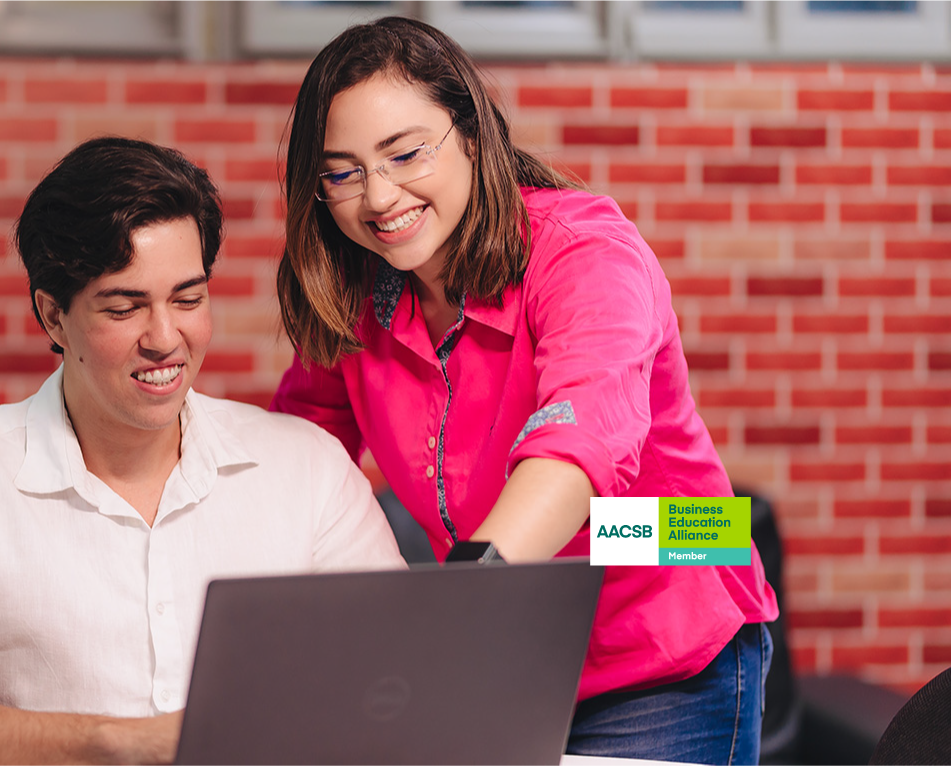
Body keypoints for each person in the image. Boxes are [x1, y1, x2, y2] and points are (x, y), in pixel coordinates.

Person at [269, 17, 779, 766]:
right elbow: (301, 449)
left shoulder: (584, 253)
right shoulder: (358, 295)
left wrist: (463, 600)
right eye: (342, 172)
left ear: (472, 135)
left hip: (667, 622)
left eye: (406, 153)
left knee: (640, 529)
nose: (378, 196)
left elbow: (582, 439)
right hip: (513, 649)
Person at [0, 137, 405, 766]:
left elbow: (401, 688)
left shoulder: (309, 469)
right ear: (54, 317)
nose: (165, 338)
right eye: (125, 307)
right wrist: (121, 743)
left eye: (188, 299)